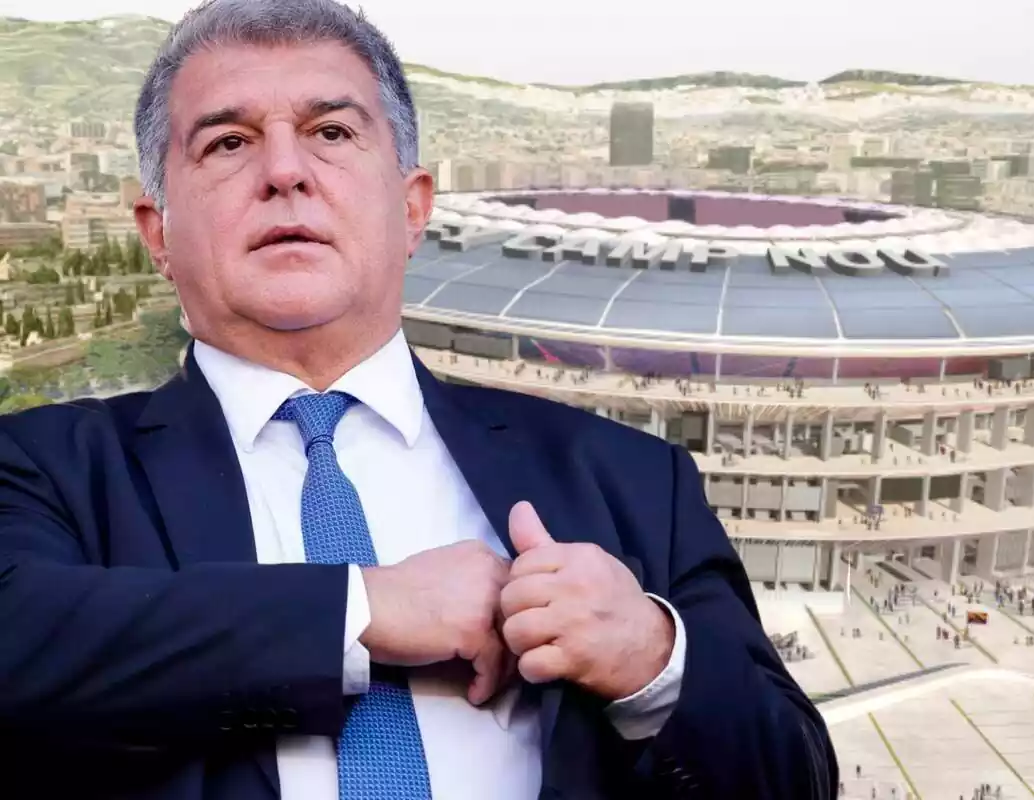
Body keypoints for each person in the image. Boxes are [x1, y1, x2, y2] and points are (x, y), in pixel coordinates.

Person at [0, 0, 837, 798]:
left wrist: (652, 662)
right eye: (227, 143)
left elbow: (794, 780)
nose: (284, 171)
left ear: (413, 208)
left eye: (332, 132)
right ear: (157, 232)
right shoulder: (44, 474)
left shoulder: (631, 483)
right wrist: (362, 611)